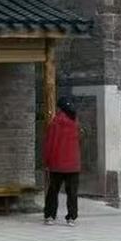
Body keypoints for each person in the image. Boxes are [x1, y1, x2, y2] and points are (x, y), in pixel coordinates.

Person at [43, 96, 81, 225]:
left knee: (53, 191)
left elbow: (49, 144)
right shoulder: (75, 123)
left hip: (57, 163)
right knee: (72, 193)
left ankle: (50, 216)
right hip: (73, 164)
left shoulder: (55, 123)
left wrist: (47, 162)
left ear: (60, 108)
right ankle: (71, 217)